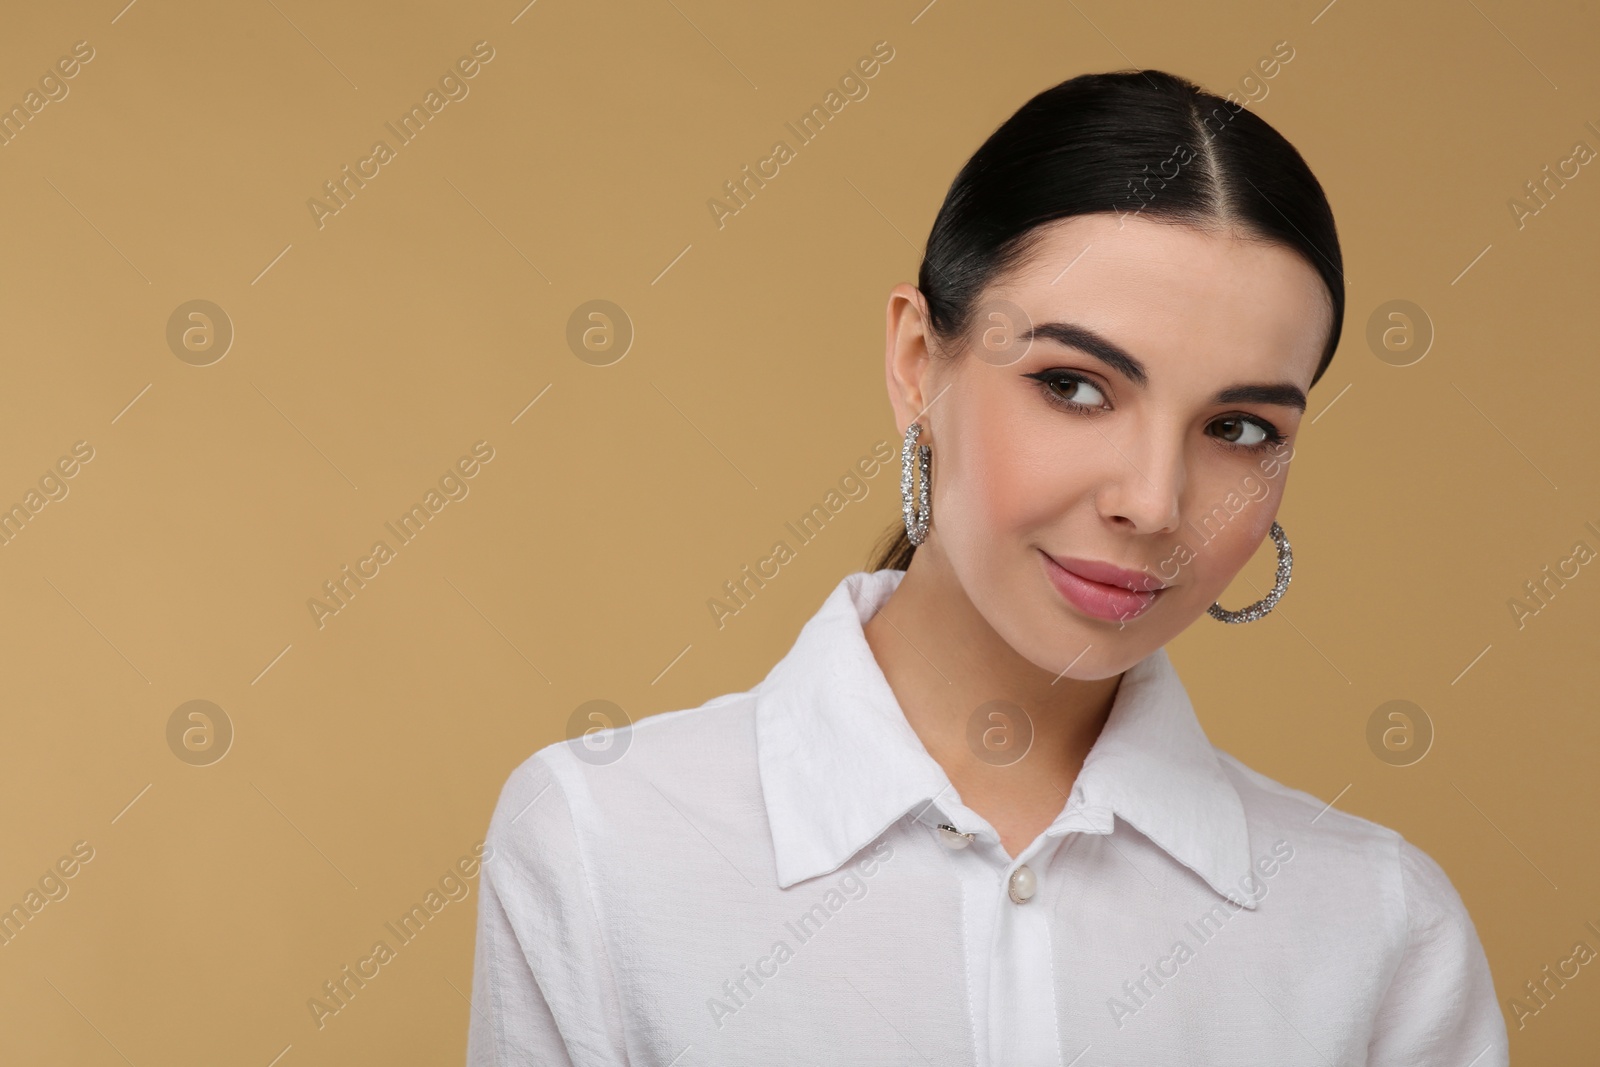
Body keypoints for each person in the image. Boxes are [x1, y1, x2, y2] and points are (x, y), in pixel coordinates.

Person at [466, 69, 1509, 1065]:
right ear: (918, 365)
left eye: (1236, 427)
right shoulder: (604, 842)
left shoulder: (1378, 925)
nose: (1151, 501)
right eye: (1076, 386)